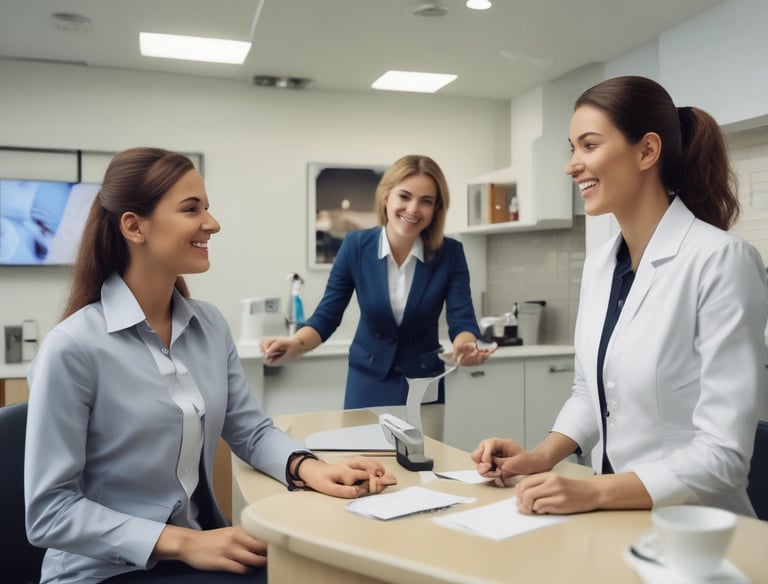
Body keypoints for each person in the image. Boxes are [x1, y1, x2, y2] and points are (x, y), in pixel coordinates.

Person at [24, 147, 397, 584]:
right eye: (191, 209)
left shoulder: (209, 325)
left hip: (193, 551)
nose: (212, 223)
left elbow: (250, 430)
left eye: (207, 207)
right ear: (133, 226)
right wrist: (184, 542)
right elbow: (50, 513)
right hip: (106, 571)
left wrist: (311, 468)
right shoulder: (72, 348)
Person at [472, 76, 768, 516]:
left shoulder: (722, 260)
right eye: (571, 148)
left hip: (697, 528)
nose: (572, 165)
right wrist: (540, 457)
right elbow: (592, 393)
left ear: (647, 151)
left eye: (588, 146)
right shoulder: (599, 266)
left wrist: (592, 492)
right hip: (615, 518)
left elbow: (723, 455)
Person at [260, 154, 495, 409]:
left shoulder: (450, 253)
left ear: (436, 208)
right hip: (368, 380)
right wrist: (296, 343)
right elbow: (327, 316)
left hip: (423, 382)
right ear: (386, 197)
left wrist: (466, 348)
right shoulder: (355, 246)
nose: (413, 209)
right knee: (361, 449)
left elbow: (461, 318)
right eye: (404, 196)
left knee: (421, 450)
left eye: (425, 201)